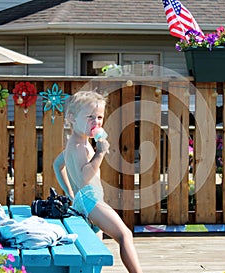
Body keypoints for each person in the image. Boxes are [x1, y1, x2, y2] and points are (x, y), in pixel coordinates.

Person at [53, 90, 143, 273]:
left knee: (95, 250)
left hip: (85, 200)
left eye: (100, 117)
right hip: (90, 200)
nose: (96, 122)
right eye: (90, 117)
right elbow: (84, 176)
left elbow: (57, 165)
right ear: (72, 117)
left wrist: (70, 192)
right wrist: (100, 153)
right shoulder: (79, 145)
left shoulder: (78, 142)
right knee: (125, 235)